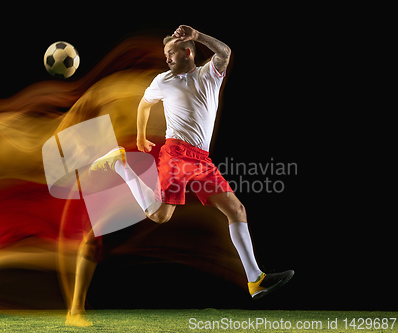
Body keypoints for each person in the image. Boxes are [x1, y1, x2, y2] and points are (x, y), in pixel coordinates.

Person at [90, 25, 294, 301]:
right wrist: (140, 135)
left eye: (171, 53)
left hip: (202, 159)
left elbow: (225, 51)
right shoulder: (163, 80)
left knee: (237, 209)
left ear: (187, 51)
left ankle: (255, 280)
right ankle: (119, 164)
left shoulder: (209, 75)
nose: (167, 58)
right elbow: (144, 104)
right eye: (165, 54)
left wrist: (198, 35)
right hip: (176, 153)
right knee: (161, 216)